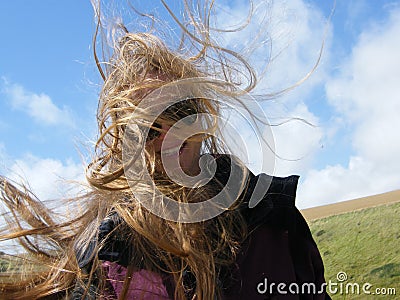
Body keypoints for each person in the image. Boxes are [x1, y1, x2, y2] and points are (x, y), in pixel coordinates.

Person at [0, 1, 331, 299]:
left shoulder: (274, 215)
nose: (167, 134)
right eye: (144, 125)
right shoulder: (103, 256)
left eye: (177, 109)